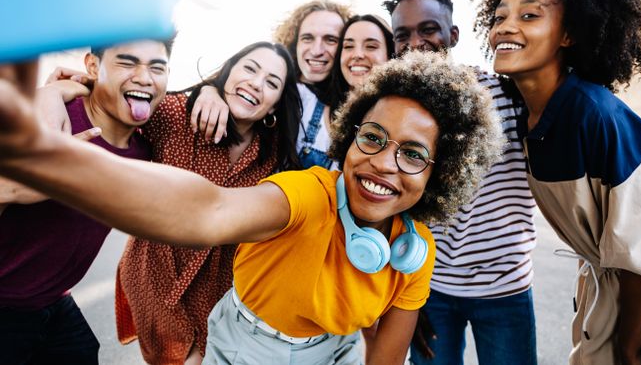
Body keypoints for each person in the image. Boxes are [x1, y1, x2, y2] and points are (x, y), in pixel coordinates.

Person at [0, 50, 504, 365]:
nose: (383, 164)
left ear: (443, 172)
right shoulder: (310, 193)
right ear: (349, 138)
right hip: (241, 342)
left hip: (337, 352)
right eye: (371, 138)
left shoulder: (415, 253)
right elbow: (209, 212)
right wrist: (54, 144)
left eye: (413, 154)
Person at [473, 0, 641, 364]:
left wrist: (628, 349)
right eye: (500, 15)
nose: (506, 27)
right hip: (610, 285)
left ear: (569, 34)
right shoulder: (522, 109)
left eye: (529, 15)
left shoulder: (594, 113)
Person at [43, 41, 302, 365]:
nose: (256, 83)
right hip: (157, 276)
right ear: (228, 72)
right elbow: (113, 97)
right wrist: (53, 93)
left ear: (275, 105)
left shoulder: (275, 152)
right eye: (249, 68)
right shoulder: (177, 113)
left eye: (271, 82)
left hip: (220, 287)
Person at [385, 0, 539, 365]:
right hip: (429, 289)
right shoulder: (389, 110)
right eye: (402, 34)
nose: (415, 42)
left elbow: (579, 121)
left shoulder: (507, 93)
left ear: (452, 34)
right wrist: (406, 294)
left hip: (506, 288)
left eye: (428, 29)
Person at [0, 39, 171, 364]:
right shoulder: (45, 120)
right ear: (93, 66)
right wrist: (20, 185)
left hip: (53, 302)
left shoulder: (145, 148)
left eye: (157, 67)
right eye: (127, 62)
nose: (145, 77)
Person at [273, 0, 352, 169]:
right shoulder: (271, 89)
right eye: (307, 38)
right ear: (295, 43)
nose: (317, 51)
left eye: (330, 39)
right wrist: (210, 92)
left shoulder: (350, 106)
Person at [329, 14, 395, 115]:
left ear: (390, 55)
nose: (357, 55)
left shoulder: (401, 112)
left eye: (371, 46)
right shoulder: (318, 109)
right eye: (349, 46)